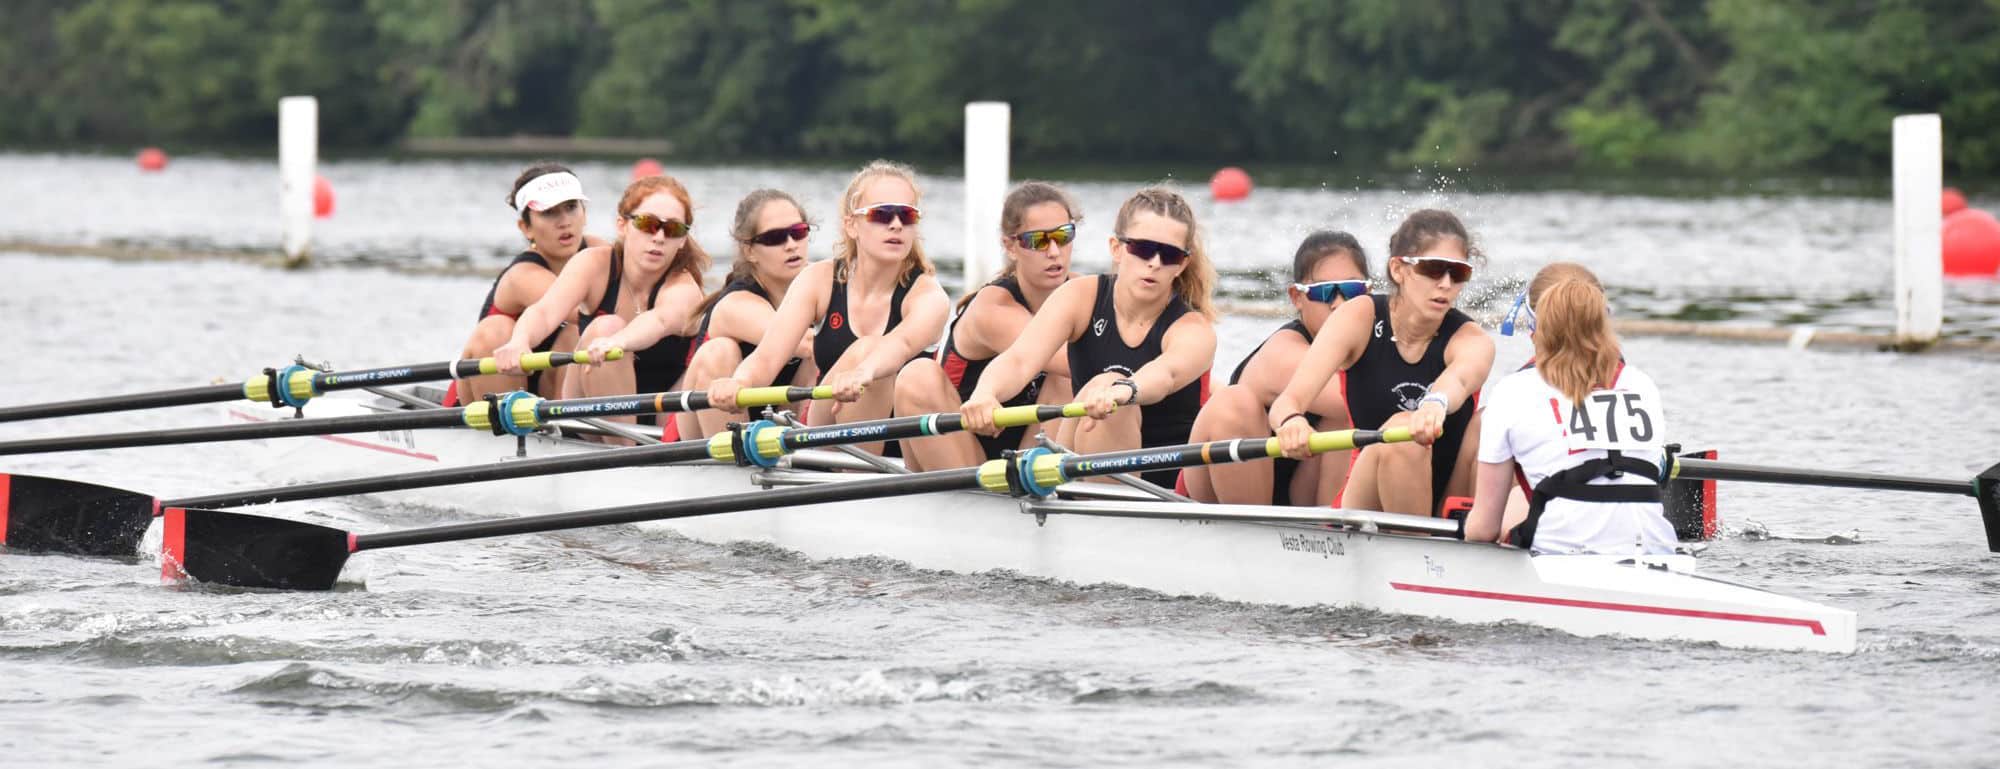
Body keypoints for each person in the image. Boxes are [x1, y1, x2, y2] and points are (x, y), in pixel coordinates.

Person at [960, 186, 1217, 489]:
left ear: (1183, 264)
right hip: (1084, 459)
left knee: (1108, 387)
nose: (1156, 263)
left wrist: (1125, 390)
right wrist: (985, 393)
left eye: (1170, 254)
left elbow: (1167, 374)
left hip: (1163, 486)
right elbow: (1019, 360)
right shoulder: (1080, 297)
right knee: (1100, 388)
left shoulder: (1193, 328)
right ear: (1116, 248)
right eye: (1143, 249)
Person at [706, 160, 949, 455]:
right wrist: (739, 382)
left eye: (907, 215)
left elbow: (902, 343)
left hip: (901, 450)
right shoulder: (818, 280)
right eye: (881, 214)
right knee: (866, 348)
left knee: (871, 350)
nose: (896, 224)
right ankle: (851, 483)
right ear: (851, 225)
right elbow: (767, 357)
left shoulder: (928, 294)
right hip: (828, 433)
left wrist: (864, 372)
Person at [1269, 209, 1494, 516]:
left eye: (1458, 273)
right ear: (1398, 269)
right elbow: (1288, 401)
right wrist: (1291, 421)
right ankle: (1416, 549)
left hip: (1447, 500)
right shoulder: (1359, 316)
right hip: (1367, 498)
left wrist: (1435, 404)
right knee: (1403, 432)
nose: (1445, 284)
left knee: (1491, 420)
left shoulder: (1472, 339)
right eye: (1433, 269)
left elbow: (1459, 379)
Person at [1464, 262, 1676, 554]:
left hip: (1560, 557)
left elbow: (1484, 529)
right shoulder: (1642, 384)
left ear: (1534, 325)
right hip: (1655, 550)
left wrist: (1459, 533)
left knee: (1513, 506)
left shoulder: (1512, 392)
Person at [493, 175, 708, 432]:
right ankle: (621, 453)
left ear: (683, 239)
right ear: (622, 226)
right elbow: (545, 311)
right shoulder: (593, 264)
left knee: (608, 329)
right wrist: (520, 341)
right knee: (605, 327)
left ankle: (628, 457)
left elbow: (659, 321)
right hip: (590, 411)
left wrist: (619, 341)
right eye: (648, 224)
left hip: (661, 420)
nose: (659, 237)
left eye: (673, 229)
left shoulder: (684, 288)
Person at [892, 182, 1080, 469]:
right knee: (916, 374)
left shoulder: (1083, 292)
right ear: (1010, 246)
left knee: (1071, 379)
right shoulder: (994, 307)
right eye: (1038, 241)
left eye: (1063, 236)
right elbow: (1075, 359)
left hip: (1030, 458)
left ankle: (1032, 478)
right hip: (963, 452)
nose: (1054, 251)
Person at [1183, 232, 1367, 505]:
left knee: (1341, 423)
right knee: (1236, 401)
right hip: (1225, 490)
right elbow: (1362, 400)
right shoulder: (1283, 352)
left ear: (1368, 294)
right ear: (1297, 297)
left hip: (1300, 493)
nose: (1338, 303)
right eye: (1324, 291)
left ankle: (1333, 528)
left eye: (1352, 291)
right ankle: (1254, 536)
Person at [670, 189, 820, 441]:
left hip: (774, 425)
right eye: (775, 238)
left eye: (798, 232)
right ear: (749, 251)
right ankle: (731, 467)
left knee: (824, 353)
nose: (791, 244)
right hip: (700, 435)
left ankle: (798, 449)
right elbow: (806, 343)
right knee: (720, 351)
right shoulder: (736, 304)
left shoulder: (820, 283)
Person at [452, 163, 605, 404]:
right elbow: (588, 312)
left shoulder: (599, 250)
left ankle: (569, 427)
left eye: (571, 207)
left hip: (549, 382)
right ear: (526, 228)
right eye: (549, 212)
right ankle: (505, 430)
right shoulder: (524, 275)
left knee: (576, 334)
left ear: (584, 214)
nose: (564, 222)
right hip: (496, 386)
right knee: (498, 329)